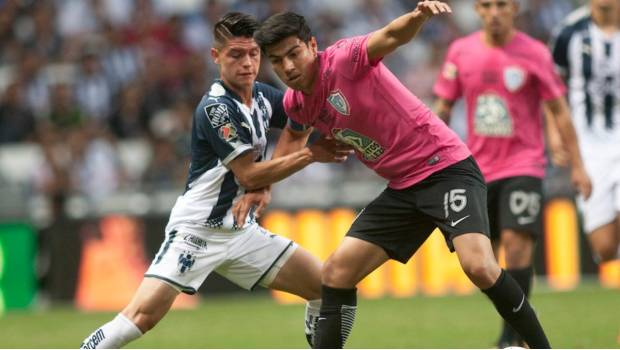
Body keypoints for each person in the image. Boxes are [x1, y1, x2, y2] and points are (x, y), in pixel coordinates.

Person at [254, 2, 551, 348]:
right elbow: (292, 138)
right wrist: (263, 187)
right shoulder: (297, 103)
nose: (288, 67)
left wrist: (418, 16)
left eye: (294, 53)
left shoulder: (345, 59)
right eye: (277, 60)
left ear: (313, 46)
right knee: (336, 272)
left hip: (444, 168)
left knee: (479, 267)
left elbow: (392, 35)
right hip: (403, 188)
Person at [79, 12, 353, 349]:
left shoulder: (263, 96)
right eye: (236, 54)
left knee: (325, 288)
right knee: (140, 318)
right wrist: (311, 154)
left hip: (240, 230)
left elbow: (303, 111)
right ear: (216, 56)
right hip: (198, 231)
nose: (247, 63)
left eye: (254, 54)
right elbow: (248, 174)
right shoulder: (216, 109)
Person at [432, 0, 592, 347]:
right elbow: (442, 108)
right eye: (486, 6)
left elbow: (558, 110)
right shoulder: (461, 52)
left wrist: (578, 165)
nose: (494, 13)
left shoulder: (534, 53)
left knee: (518, 248)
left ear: (514, 8)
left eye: (501, 5)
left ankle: (511, 339)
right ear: (477, 10)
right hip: (476, 171)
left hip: (524, 165)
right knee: (478, 264)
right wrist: (427, 157)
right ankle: (515, 324)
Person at [550, 0, 620, 266]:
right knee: (605, 248)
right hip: (589, 147)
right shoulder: (568, 33)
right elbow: (551, 89)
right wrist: (555, 134)